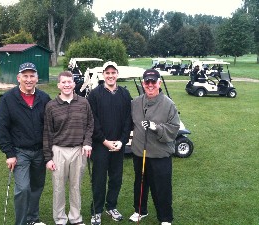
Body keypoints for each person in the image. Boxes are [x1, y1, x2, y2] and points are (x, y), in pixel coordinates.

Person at [0, 62, 51, 225]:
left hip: (40, 151)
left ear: (37, 78)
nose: (28, 79)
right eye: (25, 76)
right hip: (20, 152)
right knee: (23, 188)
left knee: (37, 187)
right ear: (18, 78)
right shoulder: (7, 99)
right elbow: (1, 127)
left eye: (32, 76)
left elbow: (49, 125)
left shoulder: (44, 98)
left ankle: (33, 219)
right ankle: (21, 222)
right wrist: (9, 154)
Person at [129, 69, 180, 225]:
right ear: (143, 84)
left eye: (153, 82)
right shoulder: (136, 102)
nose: (150, 85)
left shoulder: (168, 104)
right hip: (140, 152)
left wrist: (155, 127)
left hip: (160, 154)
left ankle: (165, 217)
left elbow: (174, 128)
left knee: (162, 187)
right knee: (140, 183)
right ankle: (140, 211)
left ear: (159, 83)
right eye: (147, 82)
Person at [43, 71, 94, 225]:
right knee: (59, 187)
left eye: (69, 82)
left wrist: (87, 142)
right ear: (58, 85)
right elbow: (47, 132)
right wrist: (48, 158)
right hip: (59, 150)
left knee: (75, 186)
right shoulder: (51, 106)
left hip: (79, 150)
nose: (66, 85)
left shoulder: (83, 102)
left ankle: (75, 217)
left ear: (74, 84)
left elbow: (90, 124)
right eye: (63, 82)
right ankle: (60, 218)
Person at [87, 61, 132, 225]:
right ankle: (96, 211)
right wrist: (104, 141)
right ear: (103, 74)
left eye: (113, 73)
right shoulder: (94, 94)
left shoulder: (125, 94)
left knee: (116, 179)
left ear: (117, 74)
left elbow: (128, 120)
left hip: (118, 146)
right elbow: (93, 121)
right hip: (100, 145)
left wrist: (122, 141)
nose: (111, 75)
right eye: (108, 73)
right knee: (99, 180)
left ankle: (111, 206)